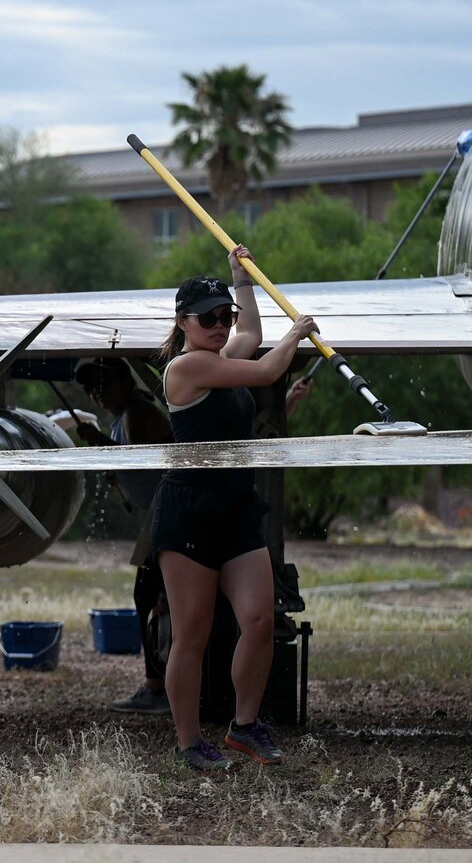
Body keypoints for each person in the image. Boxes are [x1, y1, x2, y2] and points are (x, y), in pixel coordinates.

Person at [154, 250, 316, 772]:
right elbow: (268, 366)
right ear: (183, 322)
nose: (222, 326)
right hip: (190, 510)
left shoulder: (220, 355)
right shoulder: (187, 365)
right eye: (210, 318)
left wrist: (241, 281)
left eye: (225, 316)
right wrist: (298, 332)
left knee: (259, 619)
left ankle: (244, 727)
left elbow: (251, 338)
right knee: (193, 634)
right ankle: (188, 743)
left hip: (237, 506)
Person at [75, 358, 172, 715]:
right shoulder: (126, 415)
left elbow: (144, 458)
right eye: (91, 388)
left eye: (104, 384)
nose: (97, 394)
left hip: (171, 513)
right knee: (150, 594)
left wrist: (99, 443)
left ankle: (159, 687)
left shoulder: (138, 412)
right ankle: (160, 683)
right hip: (160, 514)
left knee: (150, 595)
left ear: (125, 381)